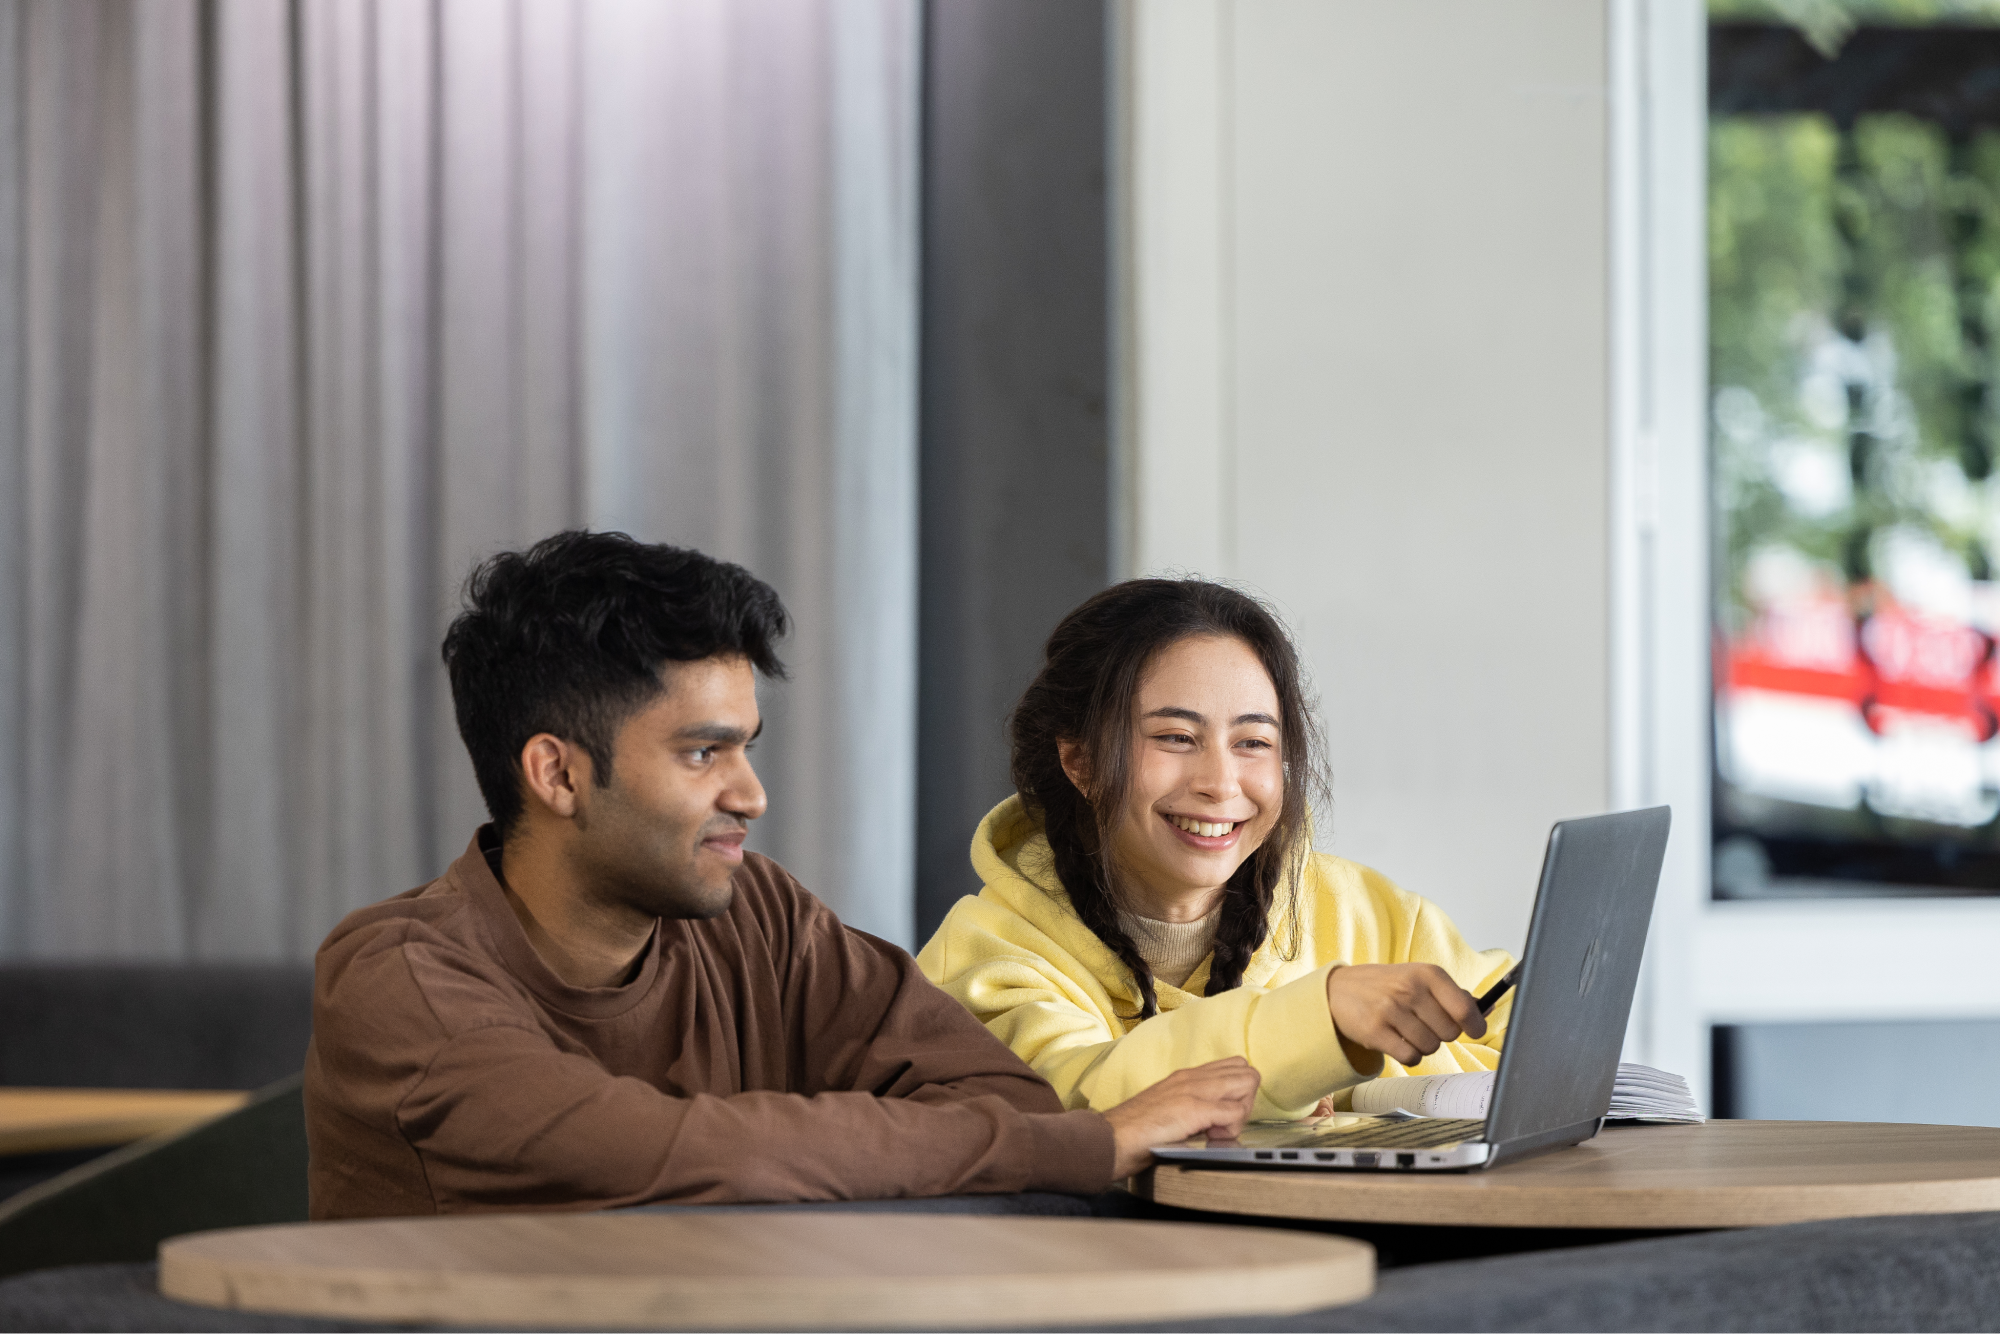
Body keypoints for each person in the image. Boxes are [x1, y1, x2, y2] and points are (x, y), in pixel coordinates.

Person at [303, 533, 1258, 1219]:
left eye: (747, 748)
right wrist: (1094, 1143)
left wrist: (809, 1153)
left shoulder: (758, 915)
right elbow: (656, 1152)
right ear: (556, 773)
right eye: (701, 754)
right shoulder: (399, 977)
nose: (752, 794)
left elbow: (997, 1097)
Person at [917, 578, 1513, 1120]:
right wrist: (1323, 1026)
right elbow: (1078, 1102)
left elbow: (1536, 1048)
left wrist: (1357, 1080)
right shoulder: (984, 961)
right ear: (1082, 762)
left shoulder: (1365, 910)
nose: (1221, 783)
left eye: (1253, 741)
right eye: (1176, 737)